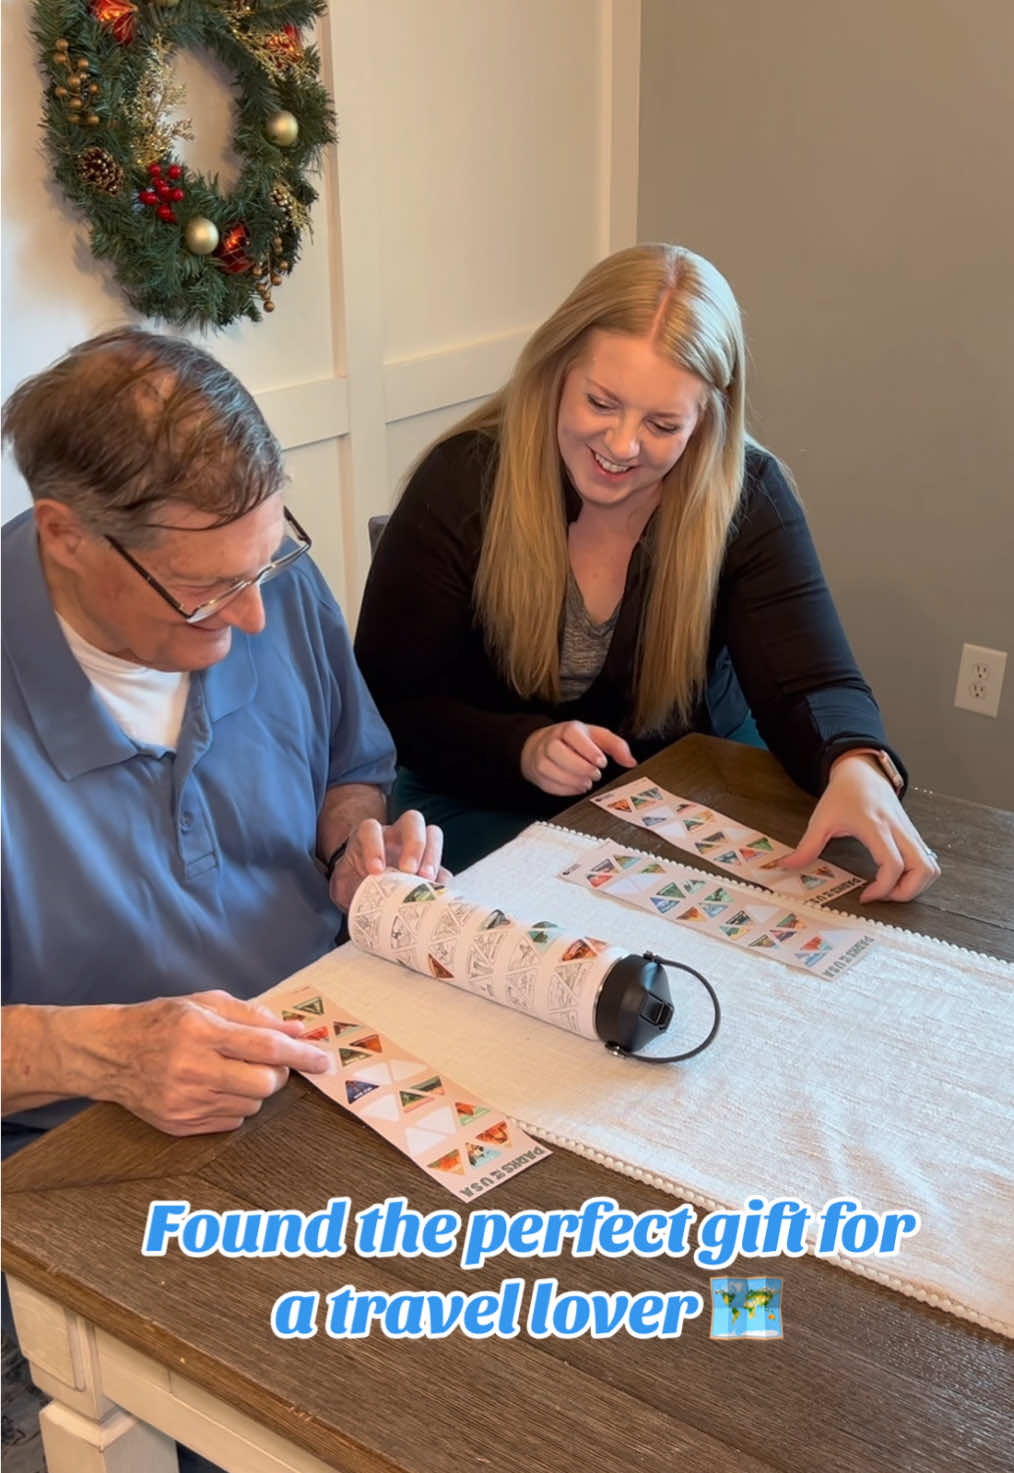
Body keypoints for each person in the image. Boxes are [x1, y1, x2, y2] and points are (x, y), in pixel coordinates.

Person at [355, 243, 939, 900]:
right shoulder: (462, 481)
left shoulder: (749, 494)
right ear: (558, 370)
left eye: (663, 423)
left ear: (708, 418)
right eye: (601, 403)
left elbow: (814, 678)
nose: (622, 445)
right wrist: (520, 746)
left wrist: (855, 765)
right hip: (480, 787)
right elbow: (390, 701)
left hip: (684, 784)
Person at [1, 328, 446, 1150]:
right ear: (65, 536)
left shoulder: (265, 579)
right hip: (89, 1135)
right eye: (206, 590)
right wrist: (109, 1057)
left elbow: (350, 765)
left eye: (264, 565)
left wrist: (355, 842)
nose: (253, 619)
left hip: (326, 1038)